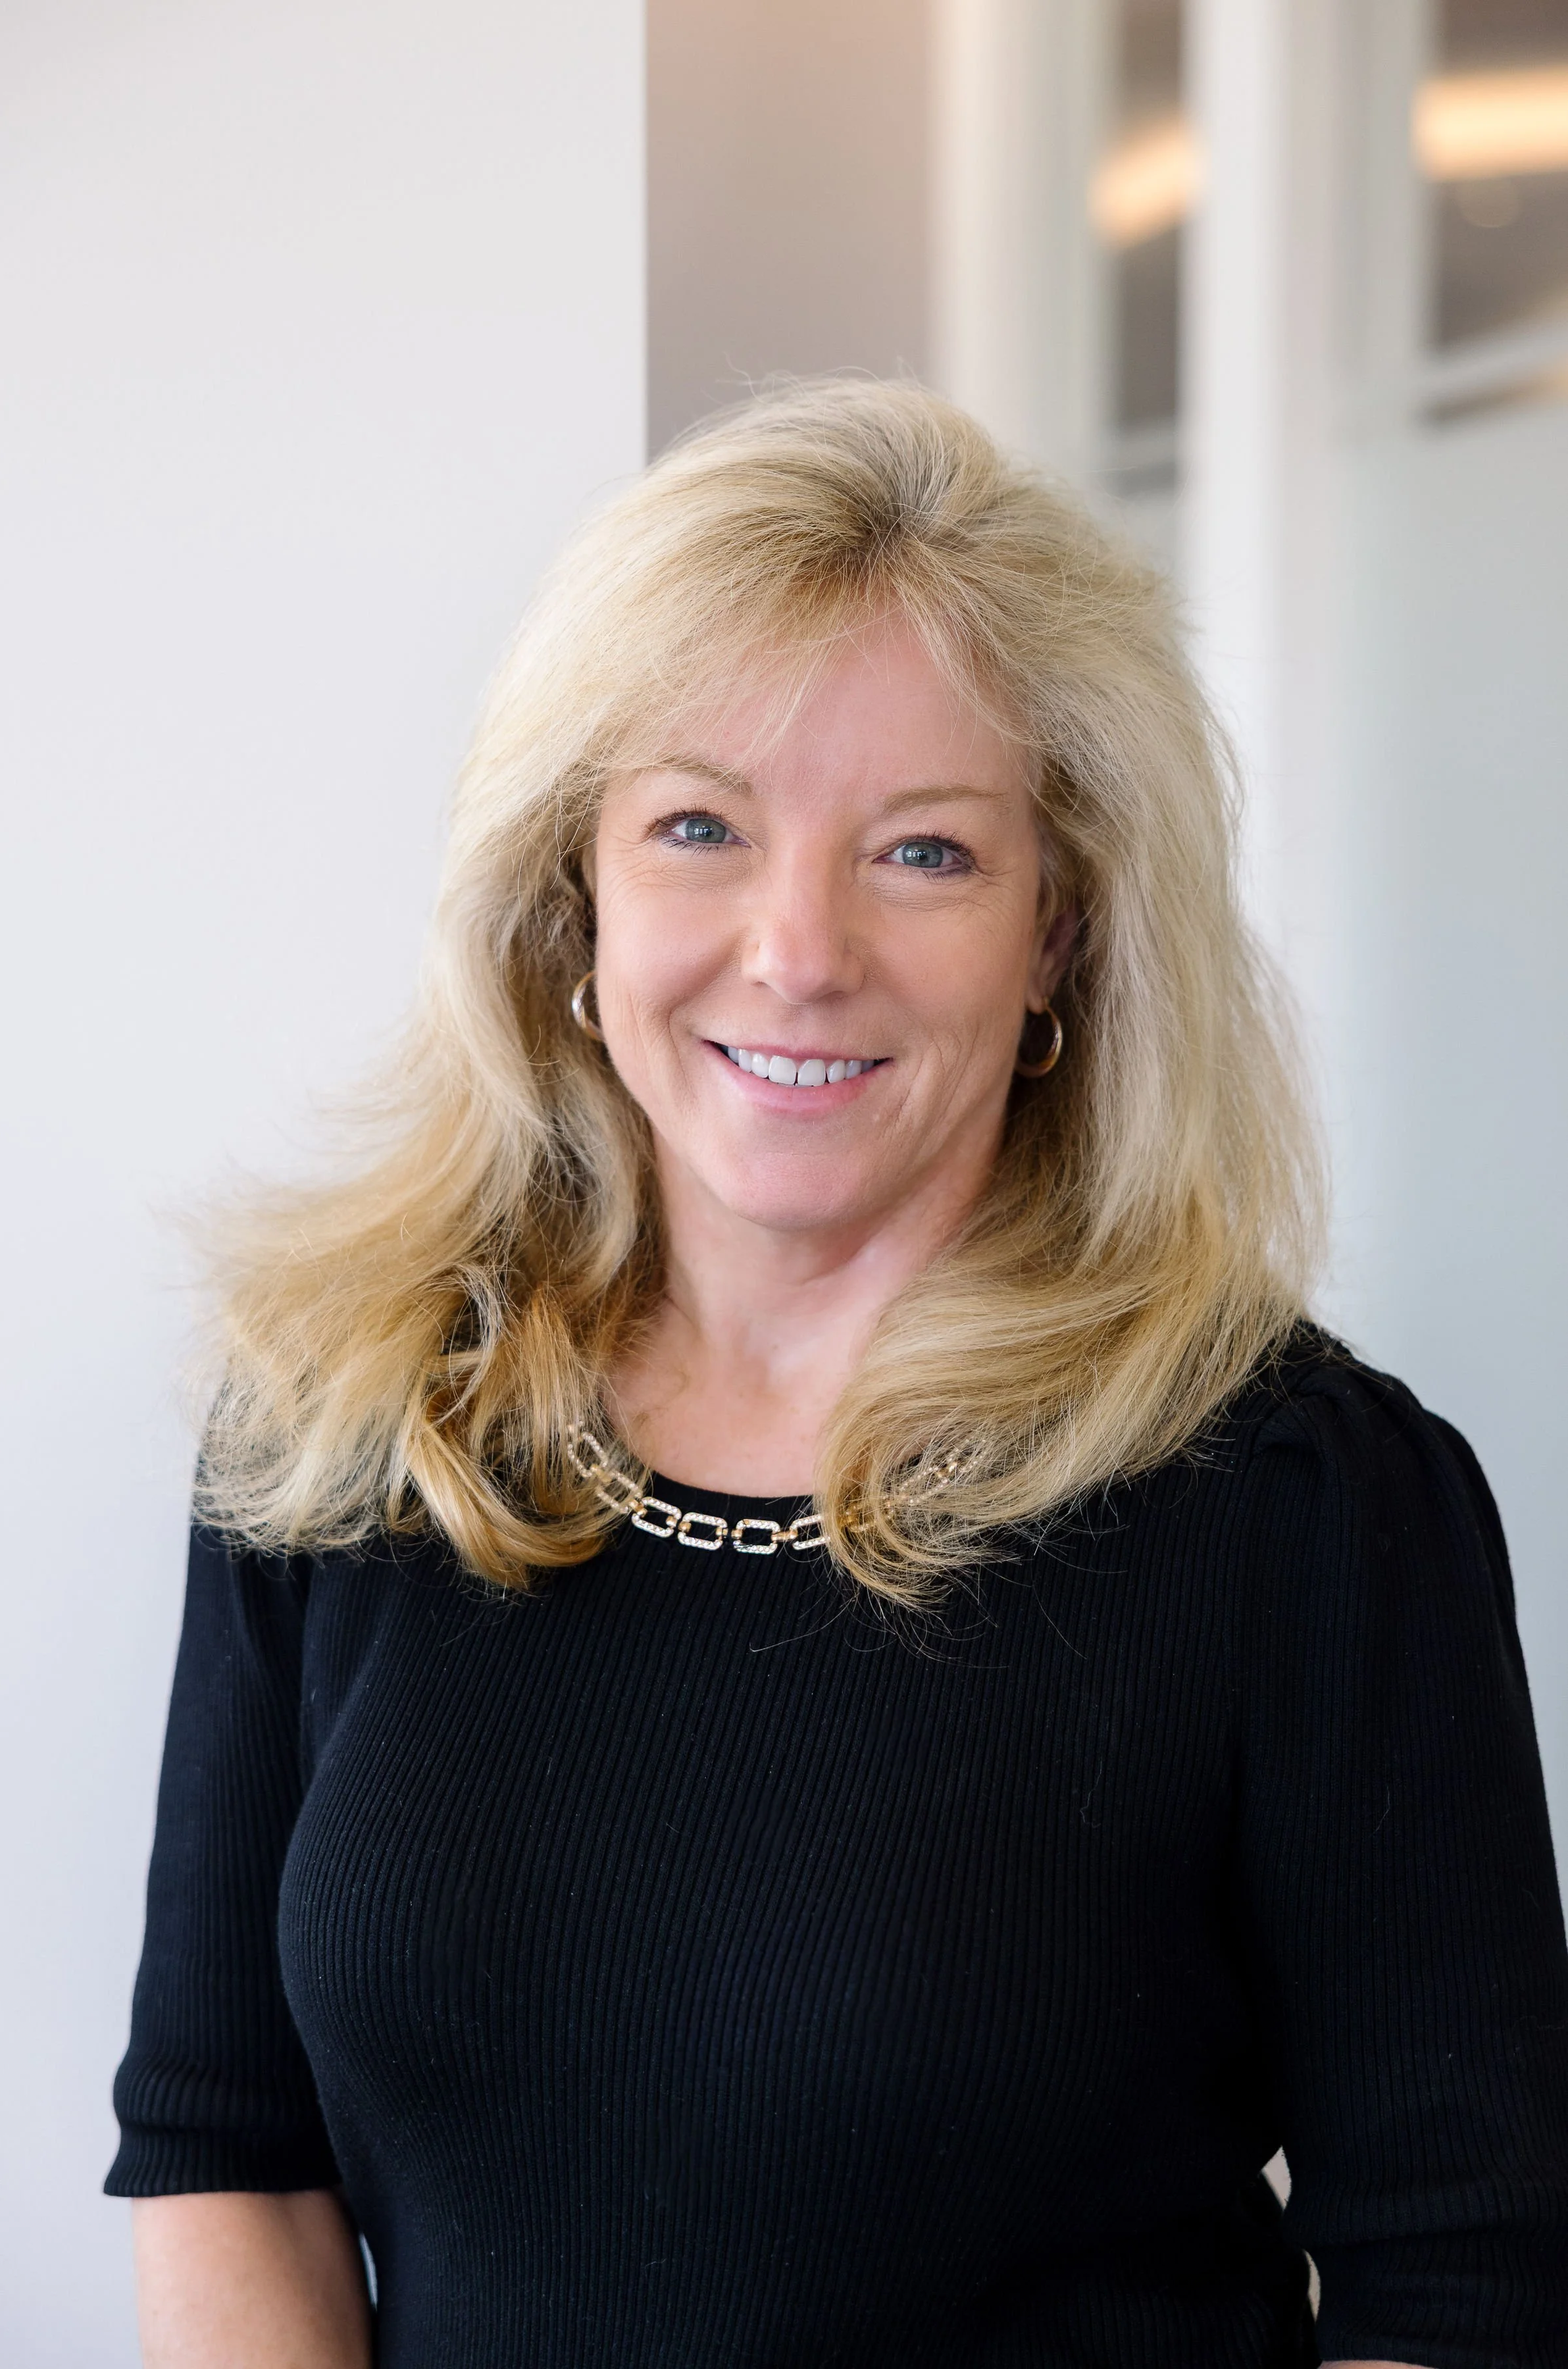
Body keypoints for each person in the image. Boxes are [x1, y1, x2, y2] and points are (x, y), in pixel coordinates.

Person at [107, 382, 1568, 2368]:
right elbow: (224, 2151)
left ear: (1060, 934)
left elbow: (1466, 2282)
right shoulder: (350, 1423)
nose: (798, 953)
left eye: (924, 855)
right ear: (575, 901)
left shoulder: (1306, 1504)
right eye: (700, 827)